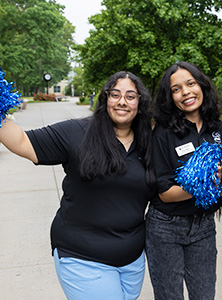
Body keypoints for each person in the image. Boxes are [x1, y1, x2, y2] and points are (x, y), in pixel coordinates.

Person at [0, 71, 156, 299]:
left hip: (132, 263)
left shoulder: (149, 142)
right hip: (83, 258)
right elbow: (23, 141)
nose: (122, 101)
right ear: (105, 99)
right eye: (115, 94)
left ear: (140, 103)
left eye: (131, 96)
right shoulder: (76, 132)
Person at [146, 61, 222, 300]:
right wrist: (206, 184)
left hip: (203, 225)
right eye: (176, 89)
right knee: (169, 296)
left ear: (202, 85)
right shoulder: (163, 132)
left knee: (204, 296)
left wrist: (218, 187)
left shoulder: (219, 128)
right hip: (165, 226)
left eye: (191, 84)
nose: (186, 92)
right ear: (170, 97)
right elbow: (165, 191)